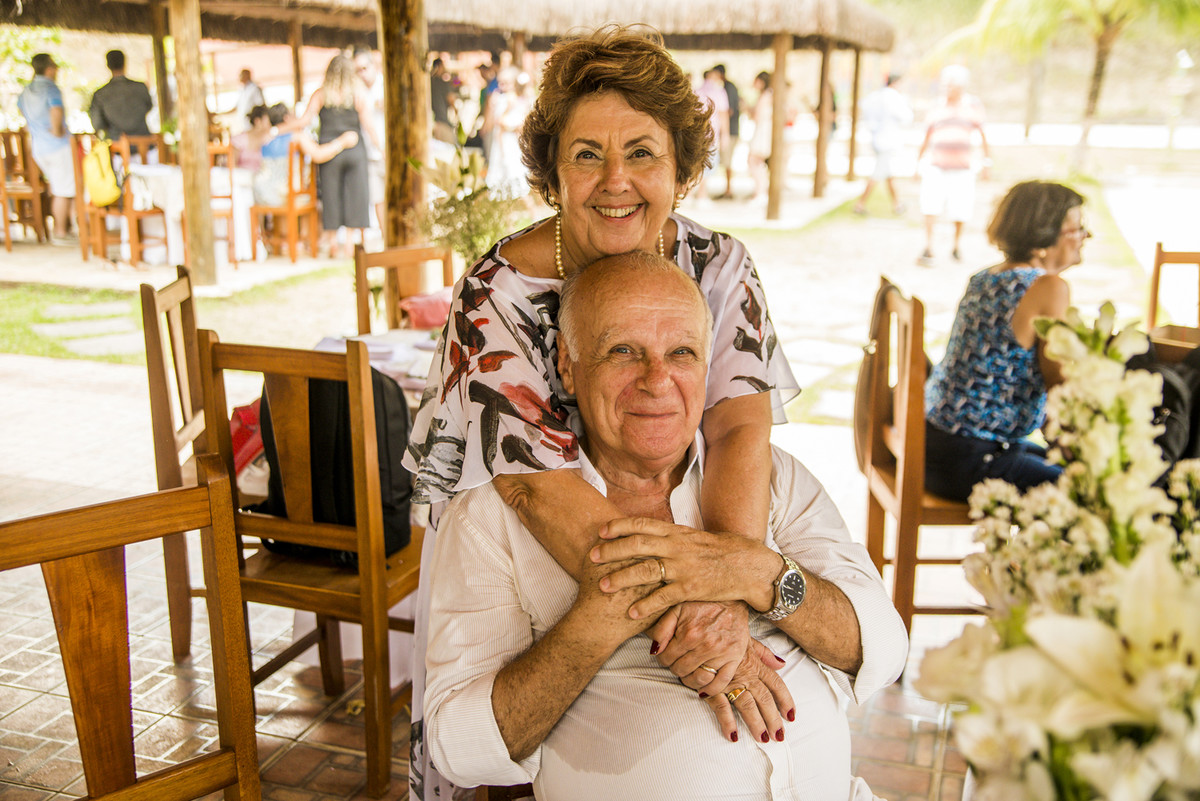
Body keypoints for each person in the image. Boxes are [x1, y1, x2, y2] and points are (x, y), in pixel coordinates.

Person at [403, 24, 800, 801]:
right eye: (587, 155)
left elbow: (737, 429)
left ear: (680, 169)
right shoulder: (496, 295)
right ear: (553, 175)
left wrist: (725, 587)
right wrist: (691, 615)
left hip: (669, 551)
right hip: (526, 561)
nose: (616, 181)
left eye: (642, 152)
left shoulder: (720, 267)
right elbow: (535, 489)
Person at [425, 251, 908, 799]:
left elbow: (884, 648)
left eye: (681, 352)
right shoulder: (495, 515)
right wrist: (600, 618)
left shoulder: (771, 476)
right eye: (622, 351)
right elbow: (457, 748)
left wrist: (760, 575)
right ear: (568, 364)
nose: (657, 380)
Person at [924, 181, 1089, 501]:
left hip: (941, 446)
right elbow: (1057, 383)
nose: (1085, 237)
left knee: (1066, 470)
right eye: (1077, 228)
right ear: (1043, 237)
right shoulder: (1049, 288)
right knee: (1090, 494)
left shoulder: (985, 277)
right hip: (972, 458)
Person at [295, 54, 379, 259]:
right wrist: (382, 149)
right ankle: (349, 244)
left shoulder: (321, 95)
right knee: (355, 195)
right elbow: (369, 126)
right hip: (354, 149)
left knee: (331, 195)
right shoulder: (358, 95)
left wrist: (279, 128)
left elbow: (304, 121)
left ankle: (333, 243)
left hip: (329, 150)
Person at [916, 65, 990, 266]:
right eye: (946, 84)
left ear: (961, 86)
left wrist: (986, 162)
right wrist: (918, 162)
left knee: (960, 207)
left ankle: (956, 245)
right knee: (930, 205)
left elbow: (983, 135)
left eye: (951, 85)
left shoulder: (972, 105)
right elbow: (927, 135)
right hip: (936, 164)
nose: (948, 88)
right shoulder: (936, 106)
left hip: (962, 167)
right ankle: (928, 246)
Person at [251, 103, 358, 208]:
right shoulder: (297, 137)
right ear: (287, 118)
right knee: (320, 199)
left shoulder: (265, 139)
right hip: (285, 196)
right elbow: (319, 155)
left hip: (262, 194)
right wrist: (343, 142)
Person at [17, 53, 76, 242]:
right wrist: (57, 131)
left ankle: (69, 229)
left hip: (39, 148)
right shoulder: (51, 89)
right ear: (49, 69)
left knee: (59, 187)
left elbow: (21, 110)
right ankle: (60, 232)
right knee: (64, 191)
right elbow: (56, 113)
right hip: (57, 146)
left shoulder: (26, 91)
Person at [853, 73, 913, 216]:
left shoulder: (875, 96)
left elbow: (864, 108)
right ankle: (860, 204)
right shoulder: (894, 97)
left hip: (877, 138)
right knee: (878, 173)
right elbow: (906, 117)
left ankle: (897, 204)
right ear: (895, 82)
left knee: (887, 173)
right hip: (887, 140)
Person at [483, 66, 532, 199]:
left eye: (505, 83)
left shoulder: (515, 99)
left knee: (513, 167)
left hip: (511, 140)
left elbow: (515, 121)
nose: (501, 86)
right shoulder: (500, 98)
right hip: (503, 139)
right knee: (502, 166)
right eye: (500, 83)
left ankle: (520, 198)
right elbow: (497, 122)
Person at [353, 46, 387, 229]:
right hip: (371, 155)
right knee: (378, 199)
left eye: (364, 68)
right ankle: (385, 239)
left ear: (373, 65)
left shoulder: (386, 86)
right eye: (358, 70)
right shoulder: (358, 93)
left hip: (389, 153)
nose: (362, 74)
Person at [88, 49, 154, 144]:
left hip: (117, 145)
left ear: (108, 65)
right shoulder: (141, 87)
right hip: (146, 144)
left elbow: (97, 124)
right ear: (124, 63)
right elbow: (149, 106)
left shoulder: (100, 94)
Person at [693, 67, 729, 202]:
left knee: (697, 162)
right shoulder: (719, 92)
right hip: (711, 134)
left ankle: (691, 194)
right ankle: (701, 195)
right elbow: (723, 115)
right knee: (707, 163)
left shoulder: (696, 91)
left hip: (697, 133)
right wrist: (725, 134)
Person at [713, 64, 740, 199]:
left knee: (727, 161)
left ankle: (729, 189)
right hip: (730, 130)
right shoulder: (727, 87)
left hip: (731, 131)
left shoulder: (728, 88)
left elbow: (728, 111)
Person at [747, 71, 773, 201]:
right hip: (764, 130)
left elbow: (757, 116)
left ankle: (760, 192)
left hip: (762, 131)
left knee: (753, 160)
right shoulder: (769, 95)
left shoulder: (765, 97)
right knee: (758, 162)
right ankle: (760, 191)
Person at [230, 104, 272, 172]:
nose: (270, 125)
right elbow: (232, 165)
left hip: (261, 177)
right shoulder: (239, 140)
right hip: (240, 176)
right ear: (257, 121)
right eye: (268, 122)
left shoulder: (268, 140)